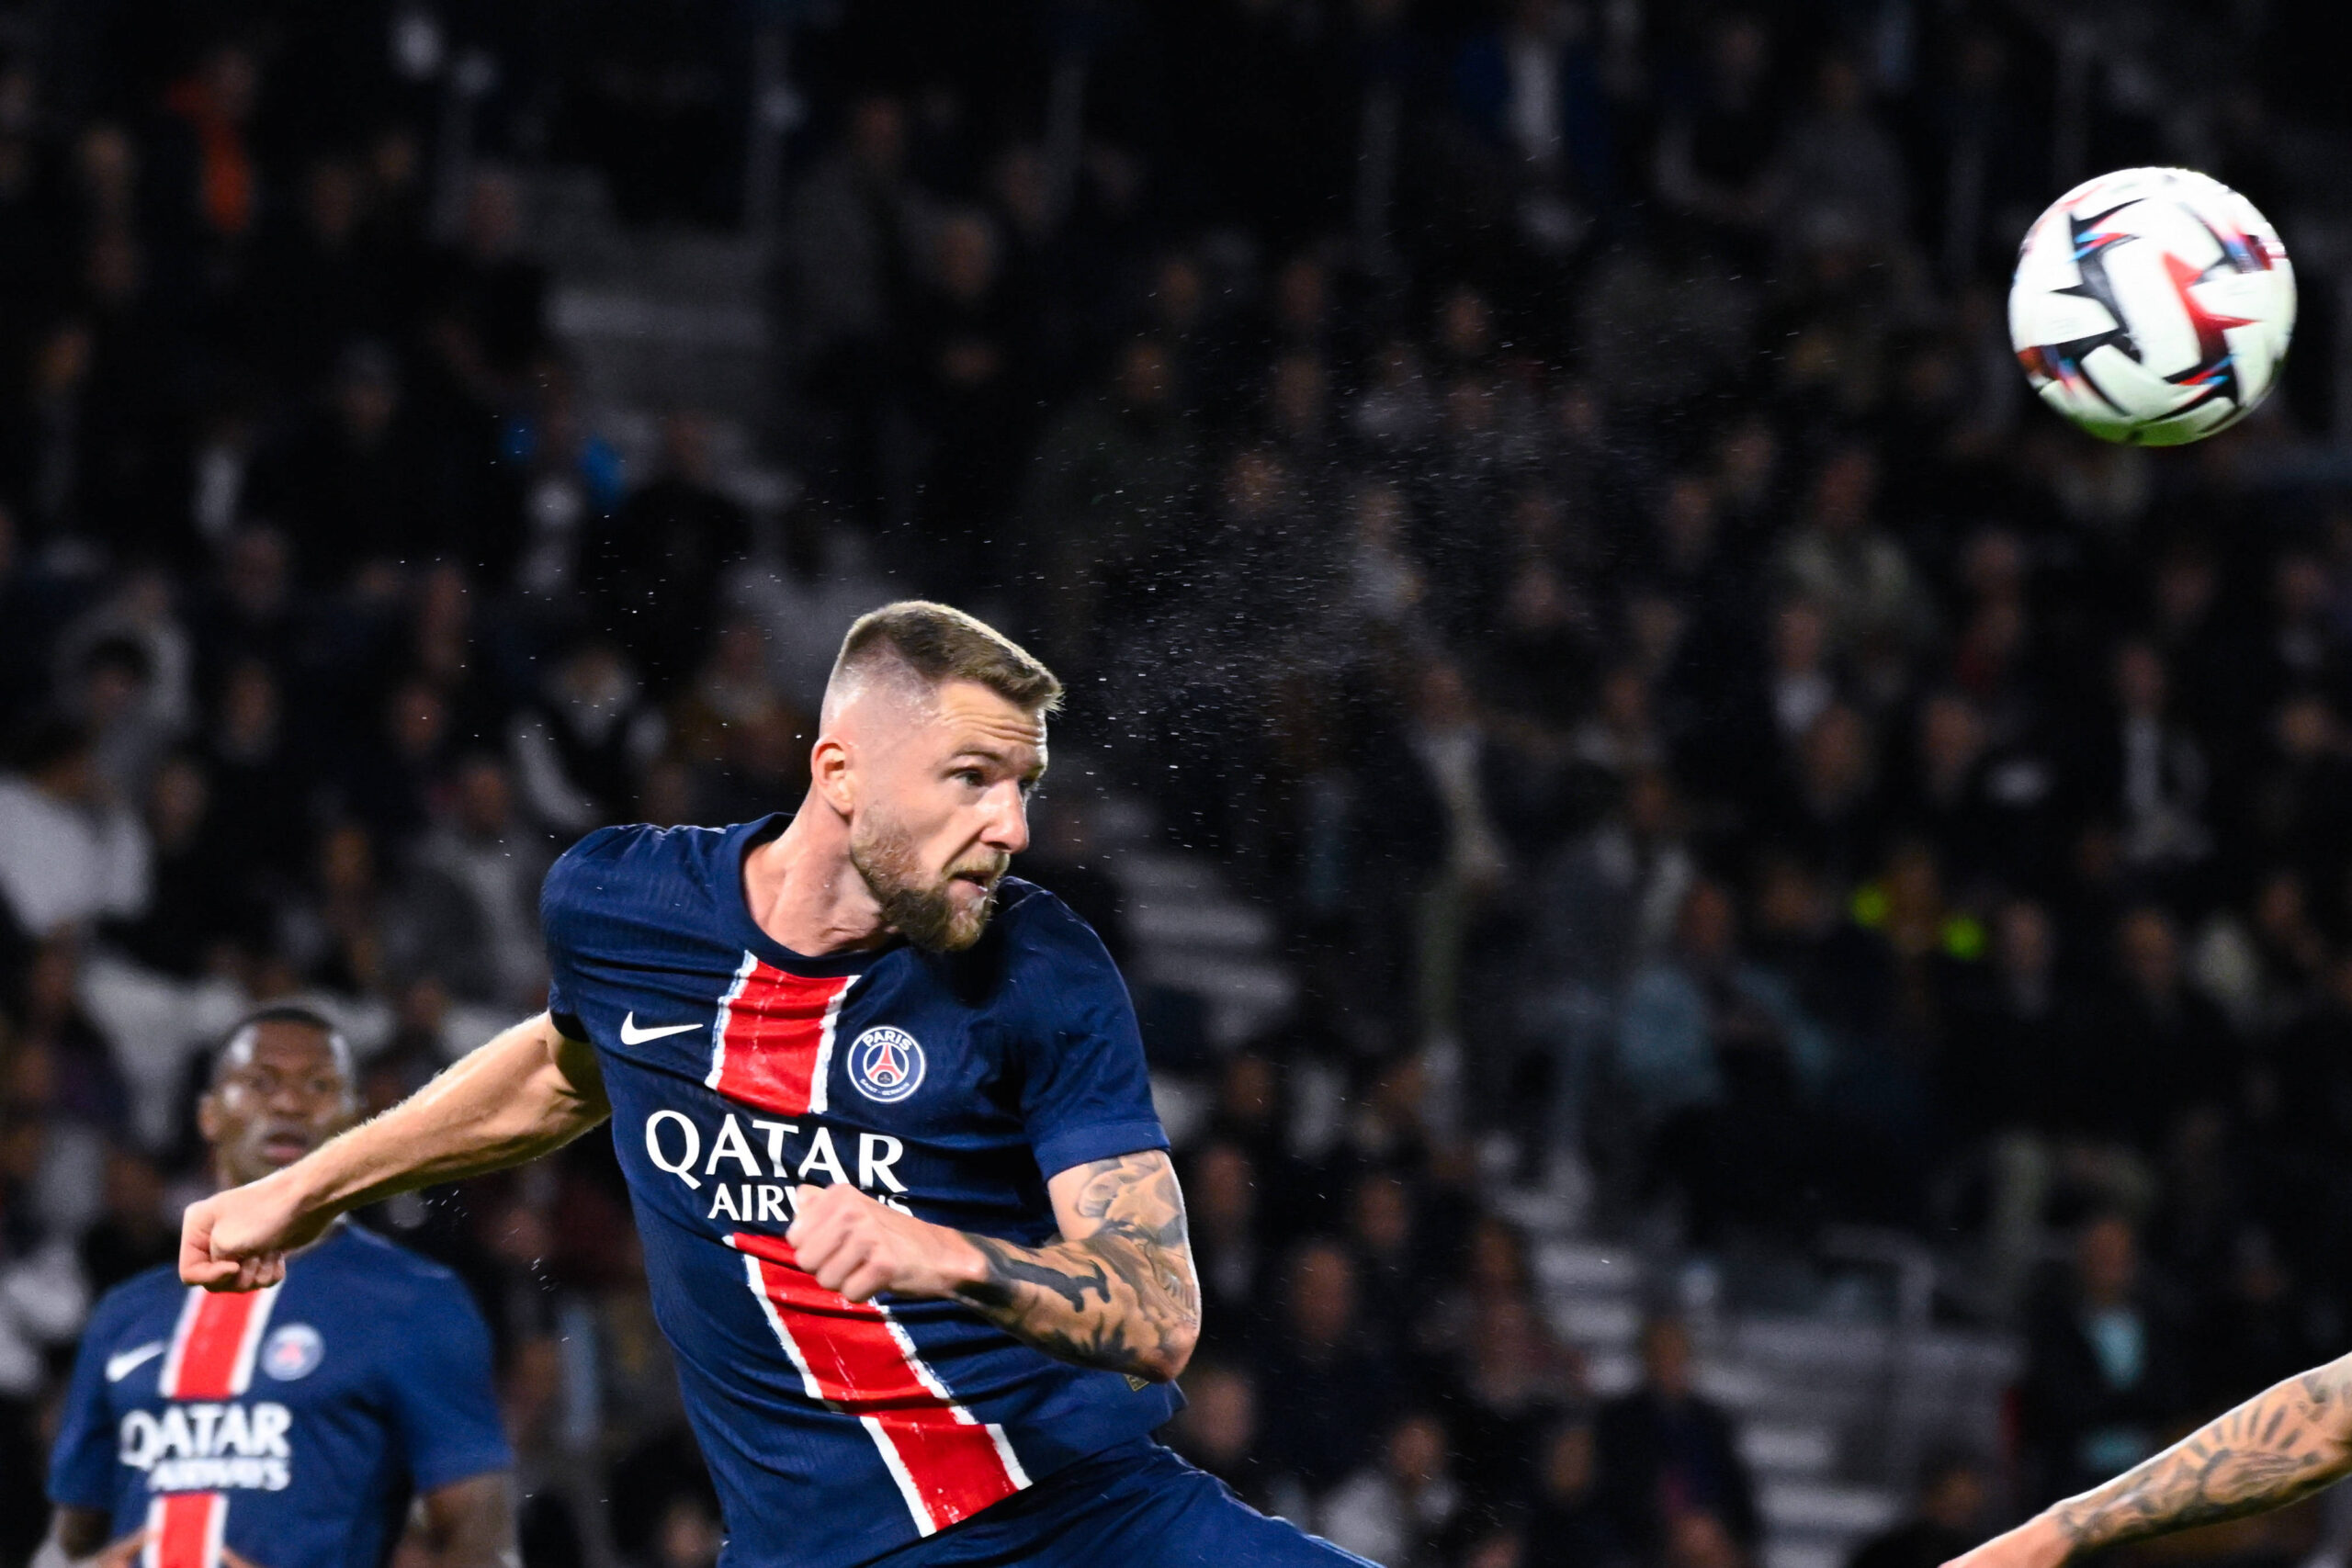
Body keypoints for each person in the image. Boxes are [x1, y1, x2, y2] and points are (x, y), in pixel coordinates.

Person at [177, 603, 1372, 1568]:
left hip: (1080, 1516)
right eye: (970, 778)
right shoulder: (620, 904)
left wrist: (938, 1252)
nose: (1010, 825)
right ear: (840, 772)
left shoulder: (1041, 963)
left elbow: (1156, 1310)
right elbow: (560, 1068)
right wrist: (309, 1190)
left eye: (1024, 786)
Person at [43, 1006, 514, 1568]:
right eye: (261, 1083)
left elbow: (485, 1549)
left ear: (359, 1119)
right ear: (210, 1115)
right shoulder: (124, 1313)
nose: (289, 1105)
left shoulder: (416, 1302)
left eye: (318, 1085)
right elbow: (67, 1545)